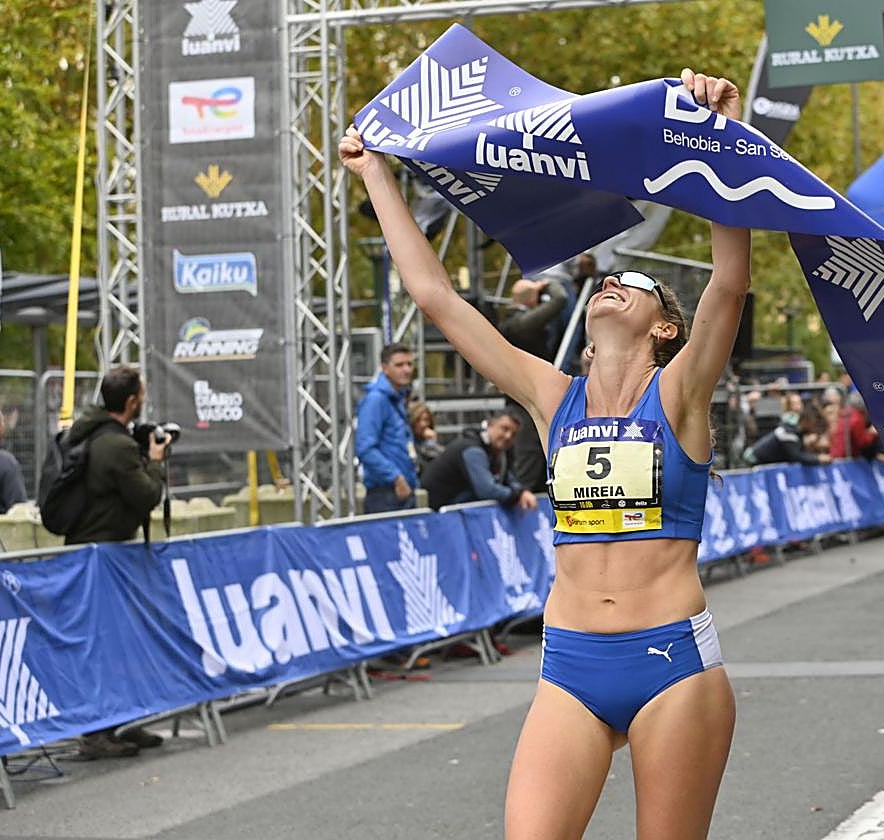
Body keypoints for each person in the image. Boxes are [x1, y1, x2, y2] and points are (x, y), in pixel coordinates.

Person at [341, 66, 745, 840]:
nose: (613, 281)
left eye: (636, 281)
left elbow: (727, 285)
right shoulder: (550, 396)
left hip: (672, 664)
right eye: (608, 277)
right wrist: (377, 176)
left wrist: (721, 136)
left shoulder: (680, 394)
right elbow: (436, 298)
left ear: (666, 327)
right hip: (570, 665)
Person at [65, 365, 169, 758]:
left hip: (97, 553)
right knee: (104, 644)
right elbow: (145, 496)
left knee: (119, 640)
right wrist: (155, 460)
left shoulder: (97, 434)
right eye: (140, 395)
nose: (142, 401)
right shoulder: (116, 446)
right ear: (130, 401)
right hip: (102, 555)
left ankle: (121, 720)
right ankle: (96, 733)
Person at [501, 276, 570, 491]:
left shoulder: (512, 323)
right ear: (532, 299)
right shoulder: (520, 324)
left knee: (536, 454)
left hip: (524, 398)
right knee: (529, 455)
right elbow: (561, 299)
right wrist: (548, 284)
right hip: (525, 401)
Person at [419, 410, 537, 511]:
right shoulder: (473, 450)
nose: (508, 436)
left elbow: (508, 478)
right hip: (438, 513)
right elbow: (487, 490)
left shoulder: (500, 453)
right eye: (504, 429)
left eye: (513, 434)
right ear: (490, 424)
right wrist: (517, 495)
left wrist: (521, 491)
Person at [356, 343, 417, 513]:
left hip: (403, 490)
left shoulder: (397, 399)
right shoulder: (376, 400)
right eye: (399, 365)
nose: (406, 370)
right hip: (385, 493)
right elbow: (365, 448)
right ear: (385, 368)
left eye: (409, 364)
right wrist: (396, 477)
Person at [407, 402, 444, 473]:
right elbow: (416, 464)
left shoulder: (430, 440)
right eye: (418, 420)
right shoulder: (409, 443)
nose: (423, 424)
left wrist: (432, 442)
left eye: (426, 420)